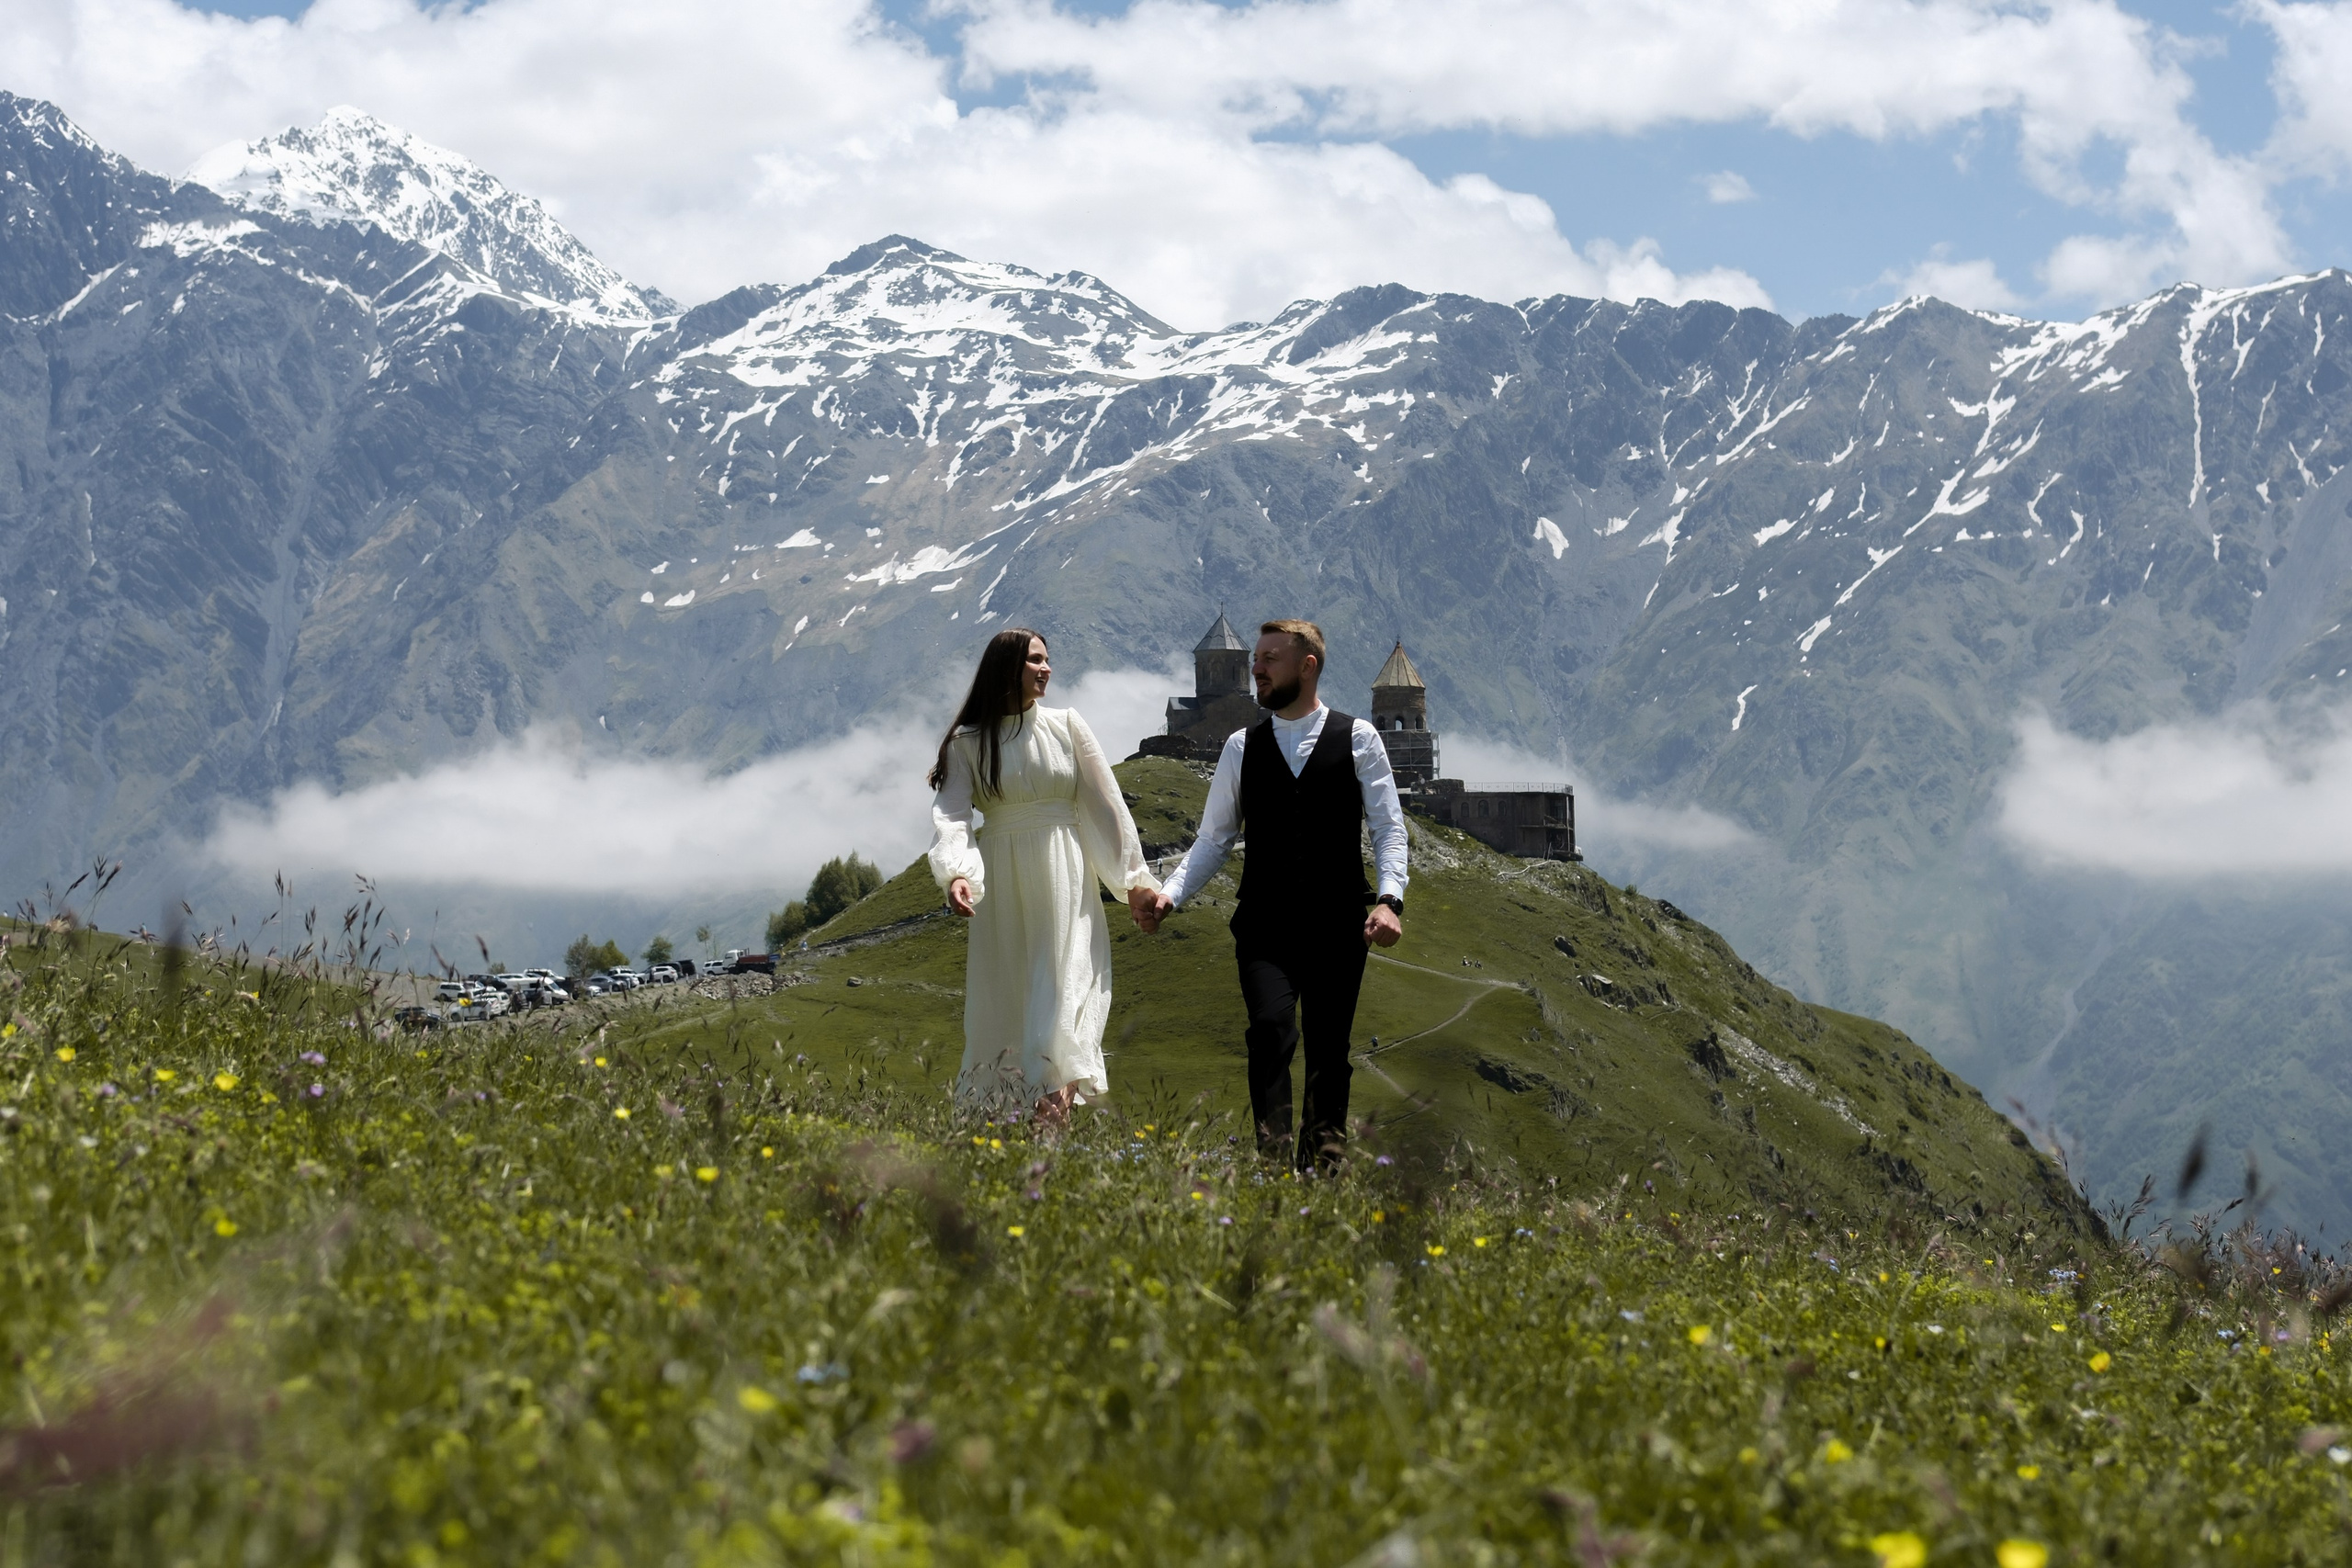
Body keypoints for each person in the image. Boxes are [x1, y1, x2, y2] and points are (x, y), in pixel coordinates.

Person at [1137, 618, 1407, 1169]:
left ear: (1307, 666)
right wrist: (1170, 895)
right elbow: (1214, 839)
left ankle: (1322, 1173)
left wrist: (1389, 899)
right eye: (1254, 659)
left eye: (1268, 659)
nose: (1255, 669)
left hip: (1338, 924)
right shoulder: (1241, 746)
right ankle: (1273, 1166)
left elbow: (1388, 828)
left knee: (1329, 1052)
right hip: (1264, 925)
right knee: (1269, 1032)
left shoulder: (1358, 738)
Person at [928, 628, 1163, 1128]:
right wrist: (957, 874)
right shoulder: (968, 743)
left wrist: (1132, 881)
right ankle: (1020, 1128)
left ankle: (1048, 1132)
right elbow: (952, 816)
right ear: (1007, 668)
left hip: (1066, 882)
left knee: (1066, 997)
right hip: (1004, 888)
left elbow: (1105, 807)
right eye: (1035, 660)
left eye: (1047, 659)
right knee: (1012, 1001)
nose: (1046, 668)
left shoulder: (1067, 726)